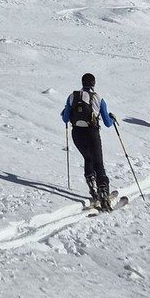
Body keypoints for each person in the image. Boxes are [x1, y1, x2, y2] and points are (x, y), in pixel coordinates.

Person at [61, 72, 117, 210]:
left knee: (88, 158)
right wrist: (113, 118)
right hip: (92, 133)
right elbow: (108, 123)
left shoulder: (72, 96)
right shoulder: (98, 98)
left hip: (77, 134)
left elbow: (65, 119)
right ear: (94, 83)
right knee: (98, 163)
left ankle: (93, 188)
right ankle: (104, 196)